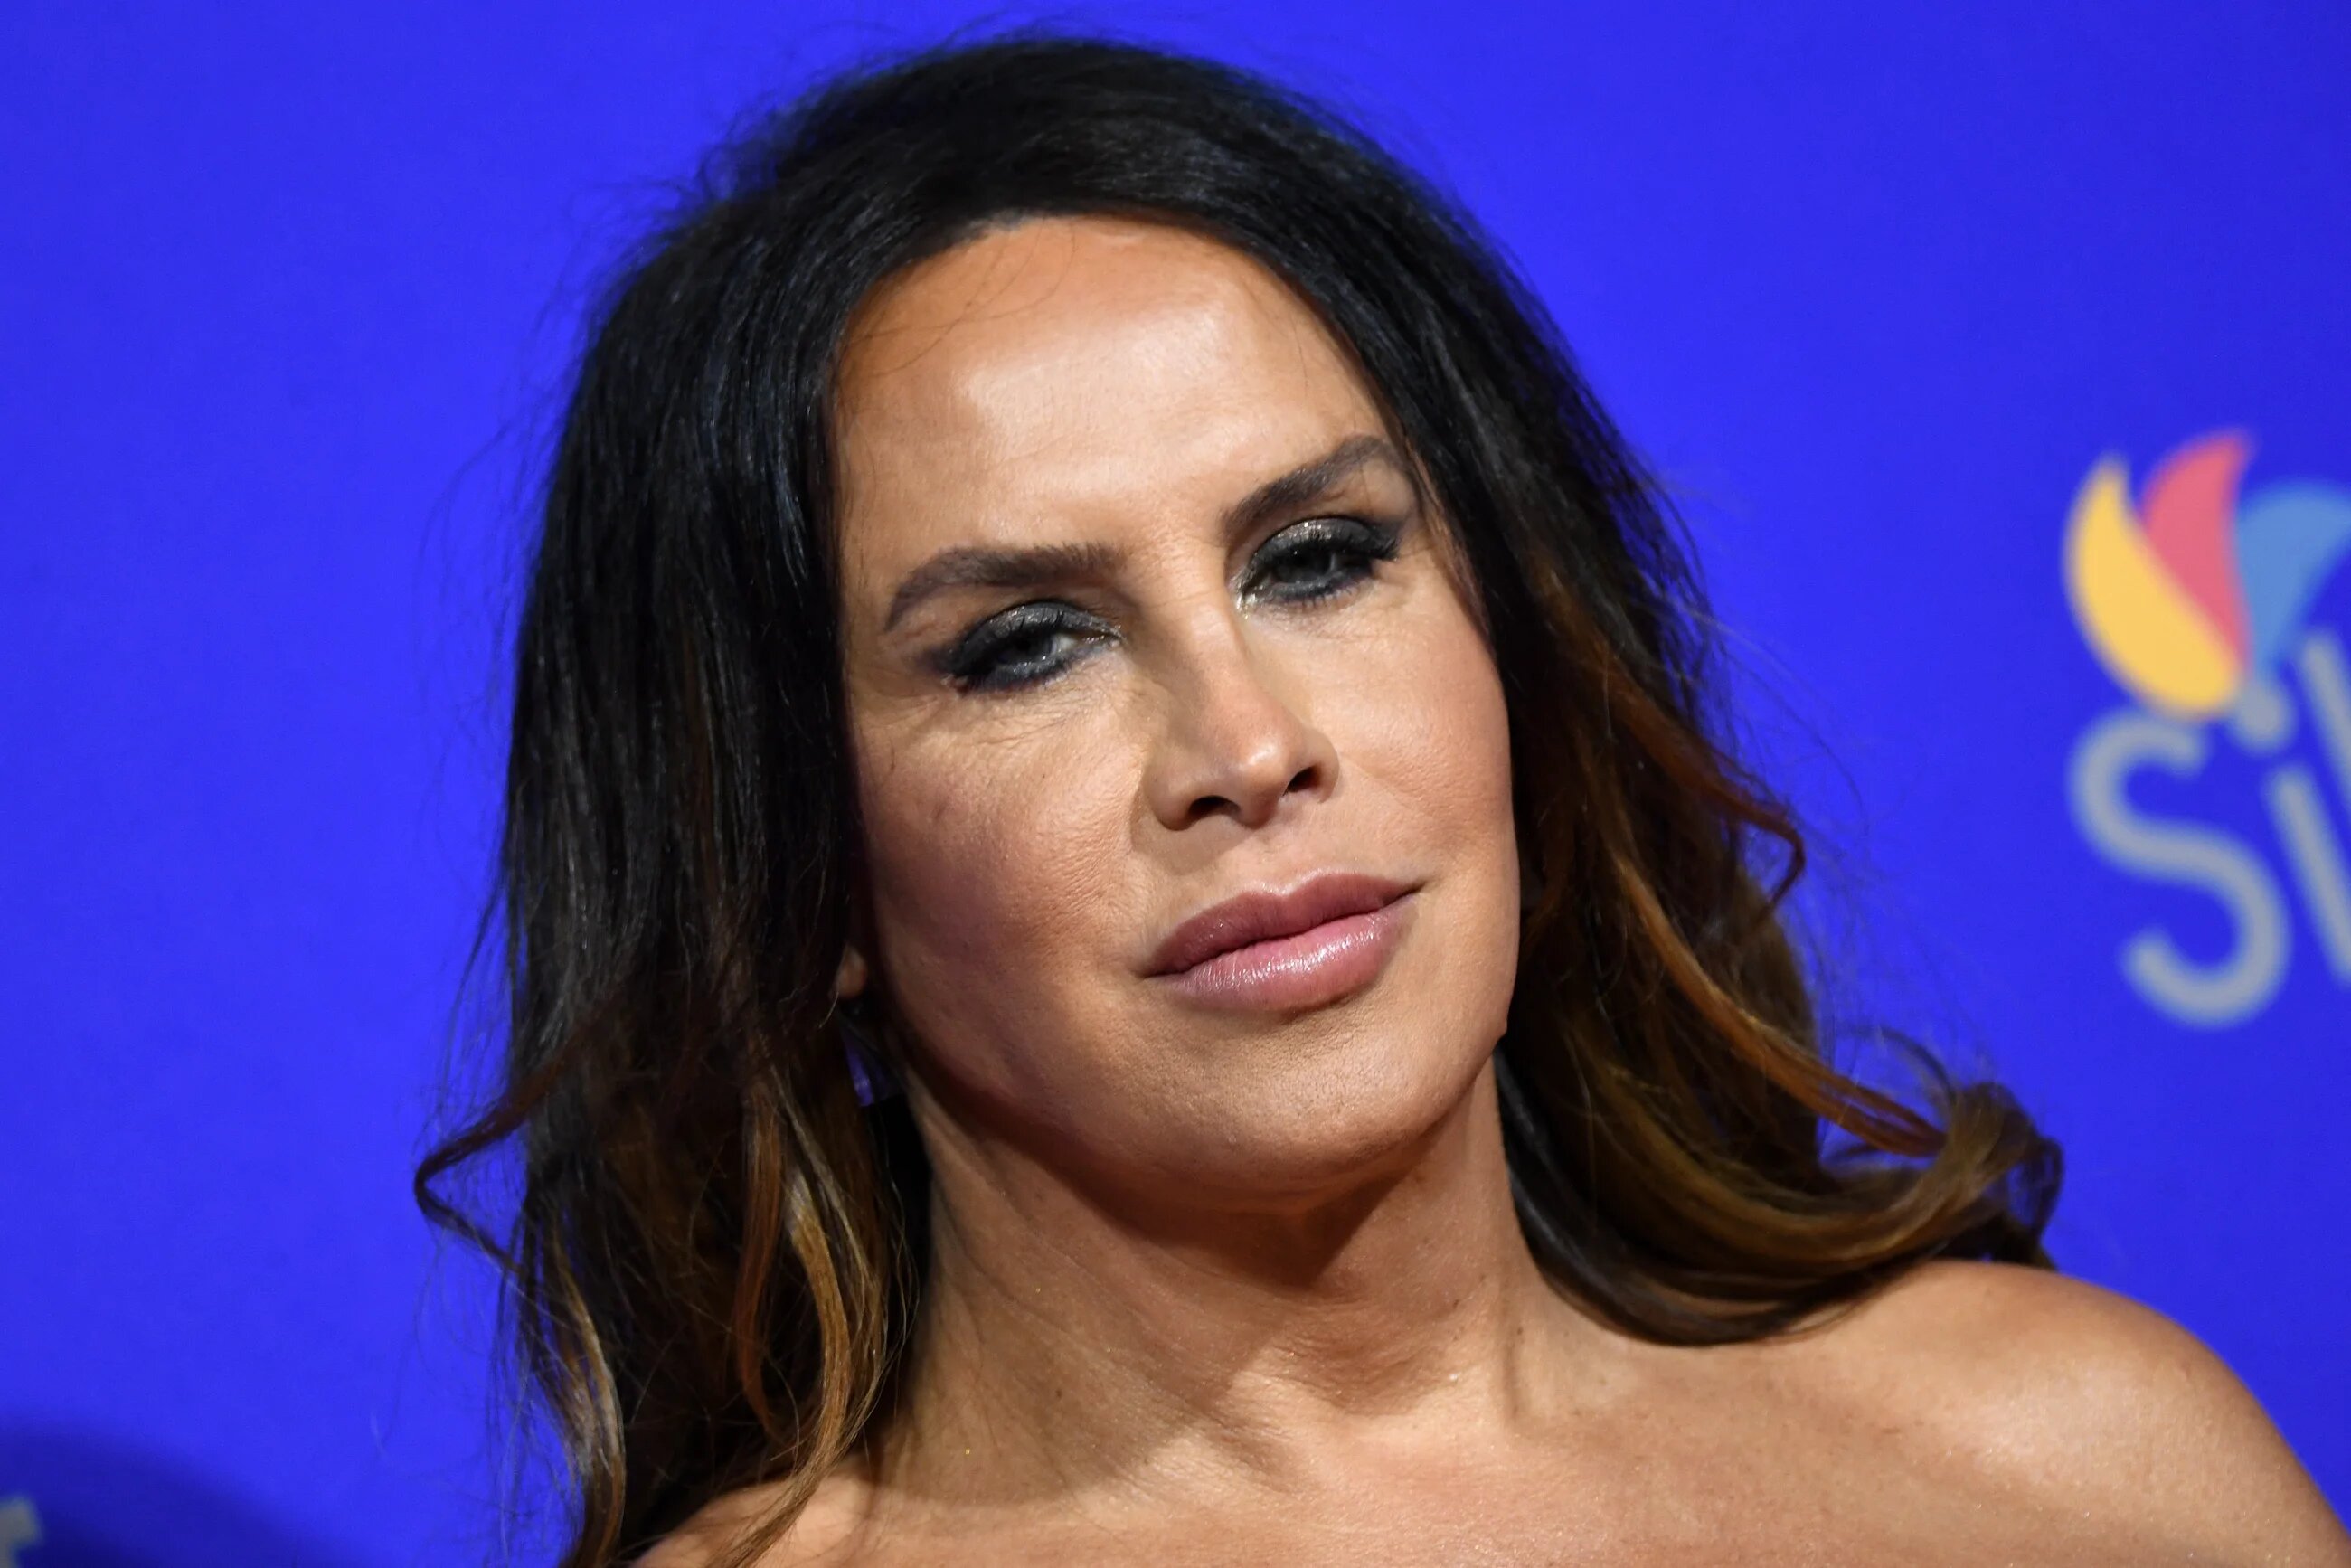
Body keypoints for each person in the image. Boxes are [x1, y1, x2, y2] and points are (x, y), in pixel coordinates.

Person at [418, 28, 2351, 1568]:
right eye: (1023, 645)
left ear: (1514, 634)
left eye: (1320, 557)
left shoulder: (2084, 1465)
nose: (1250, 747)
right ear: (794, 865)